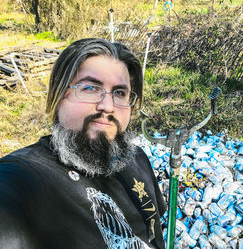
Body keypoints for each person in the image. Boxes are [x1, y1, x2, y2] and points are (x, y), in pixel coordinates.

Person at [0, 38, 167, 249]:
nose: (107, 106)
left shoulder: (137, 159)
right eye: (90, 88)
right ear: (58, 96)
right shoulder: (26, 177)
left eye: (119, 93)